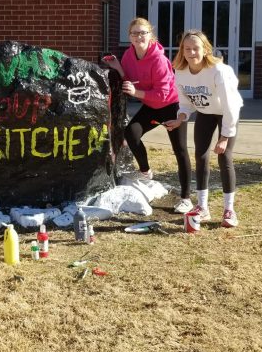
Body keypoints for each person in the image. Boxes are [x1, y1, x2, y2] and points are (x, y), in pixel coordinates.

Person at [102, 18, 193, 213]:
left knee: (180, 150)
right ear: (130, 37)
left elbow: (161, 93)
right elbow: (130, 78)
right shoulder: (128, 55)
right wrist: (118, 67)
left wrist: (136, 93)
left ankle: (186, 198)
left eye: (142, 32)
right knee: (131, 134)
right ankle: (146, 172)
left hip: (171, 106)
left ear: (151, 35)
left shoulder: (159, 59)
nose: (138, 37)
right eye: (134, 33)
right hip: (151, 106)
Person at [163, 31, 243, 227]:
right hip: (205, 113)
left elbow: (230, 106)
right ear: (182, 51)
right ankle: (202, 207)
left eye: (196, 48)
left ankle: (229, 210)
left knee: (224, 156)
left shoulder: (218, 71)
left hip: (226, 112)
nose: (191, 53)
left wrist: (224, 137)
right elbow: (185, 104)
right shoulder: (180, 71)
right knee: (201, 156)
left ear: (205, 49)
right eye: (187, 49)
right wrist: (179, 119)